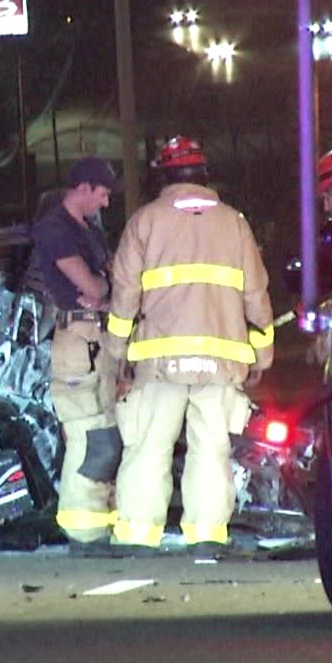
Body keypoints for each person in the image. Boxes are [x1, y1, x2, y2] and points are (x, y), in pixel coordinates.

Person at [107, 136, 274, 560]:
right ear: (203, 175)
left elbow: (125, 295)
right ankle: (206, 535)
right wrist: (261, 353)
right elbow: (255, 294)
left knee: (147, 447)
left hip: (157, 361)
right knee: (212, 448)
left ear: (162, 176)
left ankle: (138, 535)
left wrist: (116, 353)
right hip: (221, 360)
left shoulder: (144, 222)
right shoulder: (235, 224)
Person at [27, 157, 125, 555]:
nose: (105, 204)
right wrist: (104, 285)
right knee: (91, 437)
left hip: (97, 340)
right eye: (102, 194)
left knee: (108, 434)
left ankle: (100, 529)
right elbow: (95, 286)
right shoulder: (55, 229)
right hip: (78, 342)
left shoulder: (88, 231)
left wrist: (104, 286)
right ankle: (84, 535)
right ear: (83, 188)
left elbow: (108, 283)